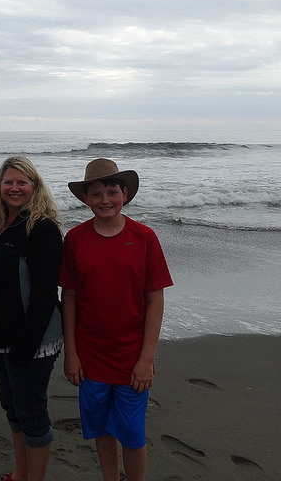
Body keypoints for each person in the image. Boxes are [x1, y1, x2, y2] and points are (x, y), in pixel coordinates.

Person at [59, 158, 173, 481]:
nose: (105, 199)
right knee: (100, 428)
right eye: (96, 194)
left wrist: (146, 357)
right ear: (85, 199)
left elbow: (155, 299)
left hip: (131, 358)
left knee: (133, 434)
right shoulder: (75, 240)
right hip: (90, 357)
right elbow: (68, 297)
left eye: (112, 191)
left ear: (125, 193)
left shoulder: (145, 238)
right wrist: (72, 353)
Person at [0, 156, 63, 481]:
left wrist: (25, 346)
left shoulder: (41, 228)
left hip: (32, 338)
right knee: (13, 409)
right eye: (7, 181)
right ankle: (21, 472)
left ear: (34, 187)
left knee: (32, 412)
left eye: (21, 182)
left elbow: (43, 293)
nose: (13, 187)